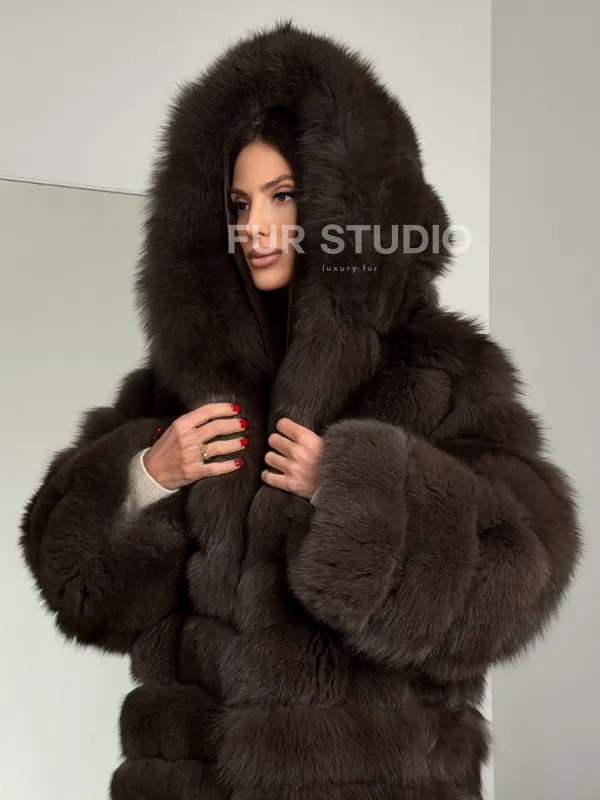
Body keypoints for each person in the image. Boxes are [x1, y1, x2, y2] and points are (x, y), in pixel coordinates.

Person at [20, 19, 581, 800]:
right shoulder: (178, 390)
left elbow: (519, 577)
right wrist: (146, 476)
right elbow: (79, 588)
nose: (255, 226)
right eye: (238, 202)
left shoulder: (436, 370)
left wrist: (353, 491)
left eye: (282, 196)